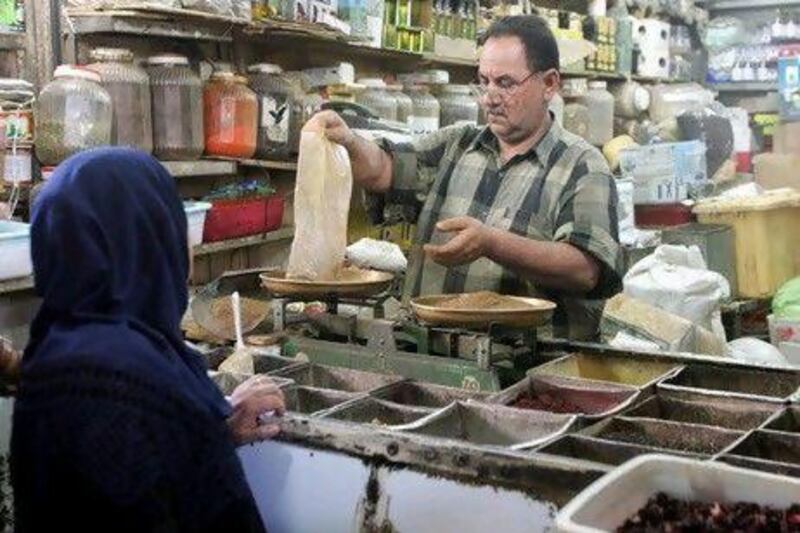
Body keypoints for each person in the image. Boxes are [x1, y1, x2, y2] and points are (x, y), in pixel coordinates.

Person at [11, 148, 283, 532]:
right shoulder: (137, 372)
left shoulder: (53, 347)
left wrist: (214, 428)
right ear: (148, 238)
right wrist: (202, 429)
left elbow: (124, 475)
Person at [309, 15, 622, 341]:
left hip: (523, 368)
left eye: (505, 83)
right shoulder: (456, 145)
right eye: (483, 81)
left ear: (549, 84)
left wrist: (491, 243)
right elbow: (384, 168)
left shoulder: (582, 166)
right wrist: (349, 141)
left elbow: (584, 270)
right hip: (429, 353)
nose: (490, 96)